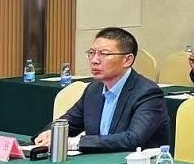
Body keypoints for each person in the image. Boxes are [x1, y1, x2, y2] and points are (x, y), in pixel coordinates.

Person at [34, 27, 169, 152]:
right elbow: (68, 122)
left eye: (104, 54)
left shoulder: (147, 93)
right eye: (92, 53)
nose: (94, 60)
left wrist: (75, 143)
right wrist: (51, 132)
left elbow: (133, 139)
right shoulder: (93, 89)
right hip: (96, 163)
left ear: (127, 60)